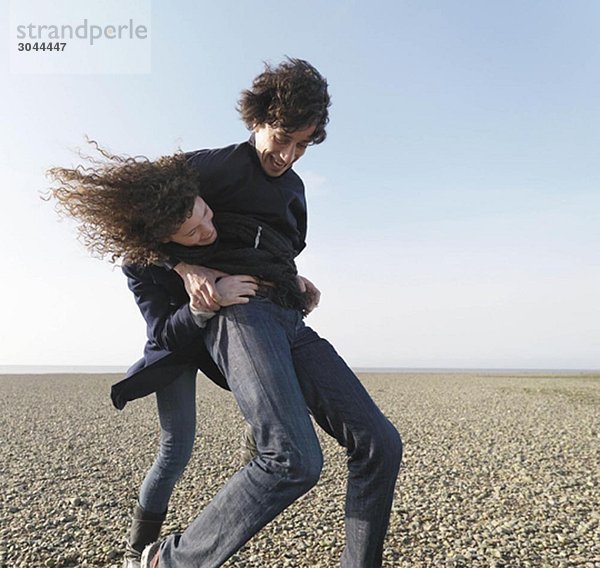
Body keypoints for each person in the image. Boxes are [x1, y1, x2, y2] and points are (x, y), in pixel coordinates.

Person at [50, 58, 403, 568]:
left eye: (302, 145)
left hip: (288, 317)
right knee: (293, 459)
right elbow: (138, 223)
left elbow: (276, 247)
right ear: (256, 118)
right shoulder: (212, 167)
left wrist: (293, 278)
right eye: (281, 137)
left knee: (381, 442)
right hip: (240, 316)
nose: (287, 155)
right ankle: (164, 561)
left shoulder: (296, 191)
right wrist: (184, 265)